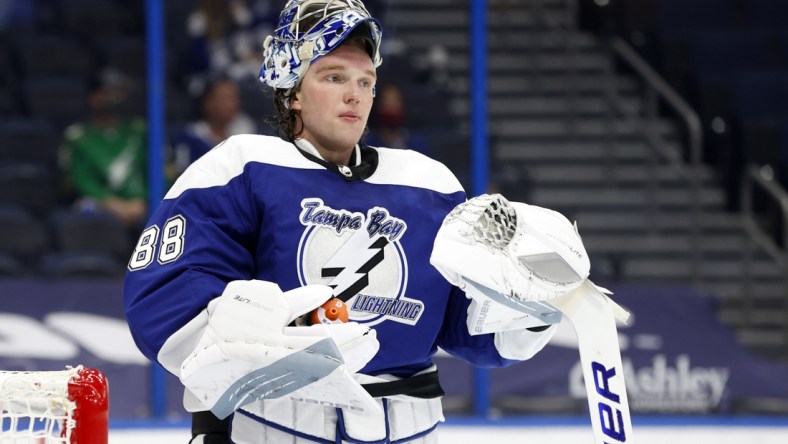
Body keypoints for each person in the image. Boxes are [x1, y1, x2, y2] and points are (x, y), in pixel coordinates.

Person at [123, 1, 559, 442]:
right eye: (334, 77)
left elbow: (467, 327)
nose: (355, 94)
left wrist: (528, 302)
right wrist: (239, 334)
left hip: (413, 429)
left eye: (365, 82)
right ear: (292, 90)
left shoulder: (429, 184)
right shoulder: (242, 168)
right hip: (275, 425)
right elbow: (164, 296)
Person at [60, 67, 147, 230]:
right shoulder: (78, 137)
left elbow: (160, 171)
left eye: (119, 91)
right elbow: (79, 180)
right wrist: (111, 204)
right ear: (93, 97)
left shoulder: (139, 131)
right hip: (99, 207)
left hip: (141, 205)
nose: (115, 97)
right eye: (108, 92)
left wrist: (142, 202)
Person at [169, 75, 258, 177]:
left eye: (234, 98)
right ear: (207, 103)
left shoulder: (244, 134)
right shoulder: (190, 136)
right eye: (224, 98)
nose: (231, 104)